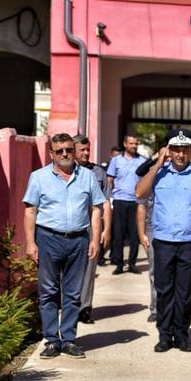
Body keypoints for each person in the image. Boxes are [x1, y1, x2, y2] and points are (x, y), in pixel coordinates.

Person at [22, 133, 106, 359]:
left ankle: (68, 339)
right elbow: (30, 210)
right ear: (51, 154)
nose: (65, 154)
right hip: (48, 239)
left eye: (69, 149)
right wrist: (30, 243)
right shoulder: (38, 177)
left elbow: (97, 208)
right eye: (59, 151)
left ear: (73, 150)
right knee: (48, 291)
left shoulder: (87, 176)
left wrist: (95, 239)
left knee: (73, 293)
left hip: (79, 240)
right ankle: (51, 340)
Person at [135, 128, 191, 352]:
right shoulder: (158, 173)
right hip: (163, 242)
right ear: (169, 150)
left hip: (190, 242)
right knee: (164, 291)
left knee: (184, 292)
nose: (180, 154)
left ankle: (181, 336)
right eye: (176, 149)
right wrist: (158, 163)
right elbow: (140, 193)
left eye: (185, 150)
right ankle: (164, 335)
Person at [74, 134, 112, 324]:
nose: (87, 153)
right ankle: (69, 305)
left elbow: (106, 203)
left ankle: (84, 309)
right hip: (71, 226)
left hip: (92, 227)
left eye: (88, 149)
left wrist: (107, 230)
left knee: (89, 269)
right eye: (83, 150)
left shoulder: (98, 172)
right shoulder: (65, 171)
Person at [107, 133, 146, 274]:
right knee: (118, 233)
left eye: (136, 144)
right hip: (119, 201)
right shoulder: (116, 161)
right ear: (125, 144)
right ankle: (118, 263)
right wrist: (109, 199)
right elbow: (110, 180)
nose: (134, 146)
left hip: (136, 202)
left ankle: (132, 263)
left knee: (135, 234)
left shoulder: (143, 161)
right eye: (131, 143)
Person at [136, 151, 162, 323]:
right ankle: (155, 308)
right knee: (155, 272)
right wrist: (142, 233)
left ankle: (171, 308)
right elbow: (141, 204)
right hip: (154, 229)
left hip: (173, 230)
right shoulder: (151, 173)